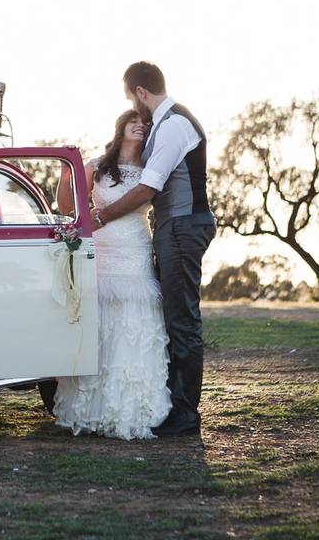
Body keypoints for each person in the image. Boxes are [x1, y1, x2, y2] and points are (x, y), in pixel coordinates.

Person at [92, 61, 216, 437]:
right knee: (174, 316)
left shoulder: (174, 124)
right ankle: (173, 405)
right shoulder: (164, 124)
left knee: (182, 320)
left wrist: (103, 216)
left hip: (182, 225)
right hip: (172, 227)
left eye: (131, 98)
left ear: (139, 93)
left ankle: (185, 415)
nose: (134, 107)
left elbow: (148, 187)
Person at [53, 109, 172, 439]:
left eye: (146, 124)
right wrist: (68, 170)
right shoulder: (97, 166)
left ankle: (132, 408)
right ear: (120, 127)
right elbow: (66, 206)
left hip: (135, 251)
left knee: (133, 326)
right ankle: (91, 411)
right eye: (134, 120)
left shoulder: (151, 169)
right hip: (102, 251)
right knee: (101, 324)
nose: (140, 126)